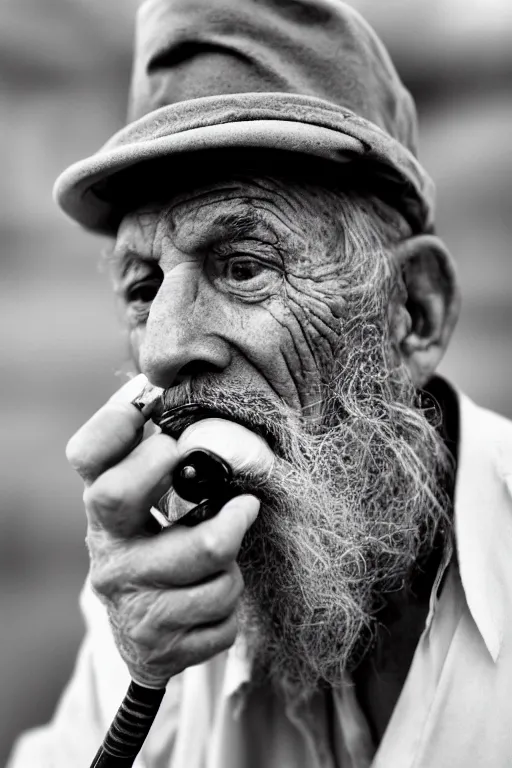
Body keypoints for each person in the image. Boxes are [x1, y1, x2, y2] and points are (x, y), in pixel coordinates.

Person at [8, 0, 512, 766]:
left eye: (243, 267)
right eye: (144, 288)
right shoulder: (157, 586)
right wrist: (143, 673)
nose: (164, 351)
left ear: (415, 310)